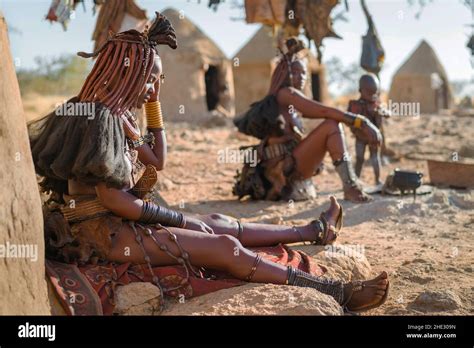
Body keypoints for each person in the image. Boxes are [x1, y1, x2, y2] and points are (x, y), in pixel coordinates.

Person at [29, 13, 389, 313]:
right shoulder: (97, 119)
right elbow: (114, 200)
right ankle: (337, 291)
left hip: (124, 219)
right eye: (151, 80)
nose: (155, 87)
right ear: (130, 74)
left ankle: (311, 232)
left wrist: (153, 107)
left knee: (217, 222)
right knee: (223, 247)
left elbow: (158, 160)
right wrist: (180, 220)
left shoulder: (119, 117)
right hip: (103, 233)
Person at [234, 38, 383, 203]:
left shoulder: (290, 102)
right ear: (285, 73)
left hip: (290, 164)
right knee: (331, 126)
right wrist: (361, 122)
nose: (302, 77)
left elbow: (323, 112)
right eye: (297, 72)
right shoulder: (286, 93)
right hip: (282, 169)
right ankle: (351, 187)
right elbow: (324, 110)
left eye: (304, 72)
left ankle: (352, 184)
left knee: (331, 123)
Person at [348, 74, 390, 185]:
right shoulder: (355, 105)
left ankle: (377, 180)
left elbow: (387, 113)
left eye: (374, 93)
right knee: (360, 158)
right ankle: (356, 180)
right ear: (360, 90)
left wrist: (382, 113)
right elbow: (349, 120)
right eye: (369, 92)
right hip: (360, 137)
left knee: (375, 159)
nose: (372, 96)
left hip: (373, 138)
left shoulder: (377, 104)